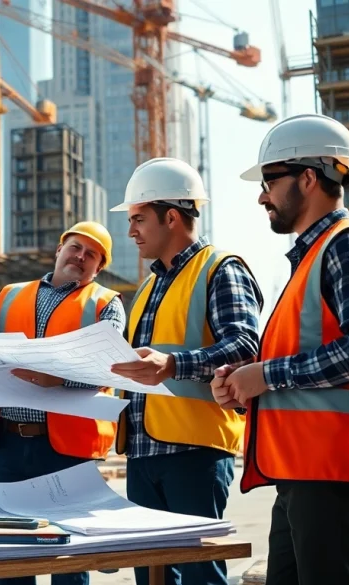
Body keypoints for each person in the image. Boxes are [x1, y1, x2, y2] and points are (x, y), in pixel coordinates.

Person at [212, 113, 349, 585]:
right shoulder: (313, 257)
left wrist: (265, 375)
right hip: (309, 470)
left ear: (309, 177)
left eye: (269, 180)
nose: (261, 195)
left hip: (340, 470)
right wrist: (248, 382)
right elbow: (311, 364)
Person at [108, 157, 263, 585]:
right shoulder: (148, 287)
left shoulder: (220, 268)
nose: (131, 230)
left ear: (171, 217)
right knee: (152, 575)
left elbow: (245, 345)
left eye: (139, 218)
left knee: (199, 576)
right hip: (143, 453)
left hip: (193, 453)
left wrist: (173, 364)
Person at [0, 220, 125, 585]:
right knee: (11, 554)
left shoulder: (106, 304)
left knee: (68, 557)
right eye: (75, 247)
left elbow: (107, 368)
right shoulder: (8, 295)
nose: (80, 256)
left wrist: (60, 379)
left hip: (68, 449)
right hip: (8, 444)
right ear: (59, 250)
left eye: (91, 254)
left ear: (99, 267)